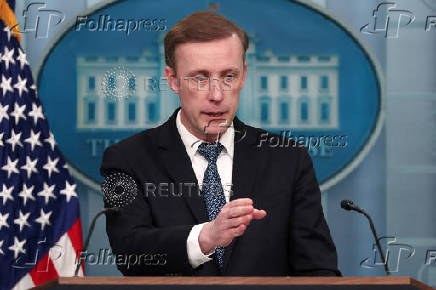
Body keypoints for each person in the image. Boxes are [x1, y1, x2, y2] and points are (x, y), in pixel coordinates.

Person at [100, 10, 341, 276]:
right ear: (172, 80)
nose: (217, 95)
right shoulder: (125, 159)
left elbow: (318, 269)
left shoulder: (288, 158)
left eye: (228, 76)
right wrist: (205, 237)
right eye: (200, 78)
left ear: (244, 75)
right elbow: (130, 254)